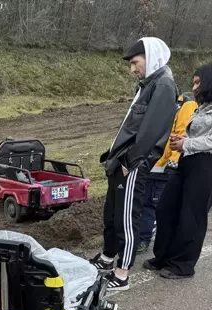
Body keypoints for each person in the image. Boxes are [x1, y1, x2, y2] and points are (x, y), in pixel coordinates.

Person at [90, 37, 177, 291]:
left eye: (135, 62)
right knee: (112, 215)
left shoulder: (163, 85)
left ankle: (122, 273)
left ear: (150, 58)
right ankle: (107, 259)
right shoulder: (148, 84)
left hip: (132, 164)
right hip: (122, 163)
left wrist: (130, 163)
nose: (132, 68)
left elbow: (150, 133)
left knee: (127, 219)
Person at [145, 64, 212, 279]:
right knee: (166, 208)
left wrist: (187, 143)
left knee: (192, 215)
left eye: (198, 82)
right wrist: (181, 144)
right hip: (186, 162)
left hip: (206, 166)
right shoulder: (202, 107)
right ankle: (163, 256)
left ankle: (183, 265)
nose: (193, 87)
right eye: (193, 82)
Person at [137, 94, 198, 253]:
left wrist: (173, 162)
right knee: (144, 201)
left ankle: (145, 237)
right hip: (149, 162)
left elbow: (183, 134)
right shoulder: (155, 102)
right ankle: (144, 234)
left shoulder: (186, 104)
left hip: (163, 165)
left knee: (151, 202)